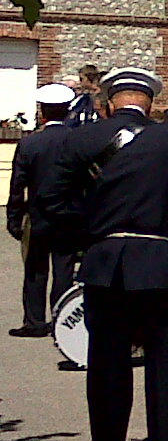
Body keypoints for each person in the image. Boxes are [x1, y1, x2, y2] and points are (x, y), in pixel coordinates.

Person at [44, 68, 168, 441]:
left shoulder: (81, 139)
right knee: (165, 368)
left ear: (109, 101)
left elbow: (52, 198)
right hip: (162, 257)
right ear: (149, 102)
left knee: (107, 368)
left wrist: (94, 232)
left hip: (105, 262)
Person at [7, 84, 83, 338]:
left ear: (42, 113)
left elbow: (18, 184)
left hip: (39, 214)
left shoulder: (31, 143)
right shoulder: (78, 140)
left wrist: (14, 218)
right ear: (68, 111)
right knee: (64, 268)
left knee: (35, 269)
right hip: (71, 214)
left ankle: (34, 321)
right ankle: (62, 318)